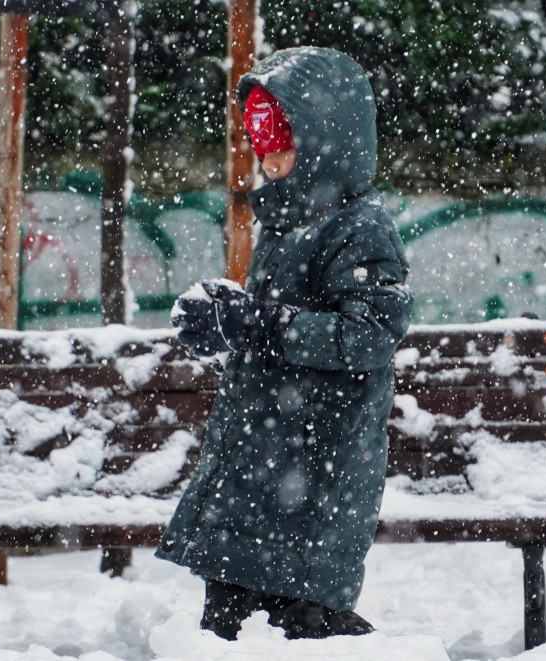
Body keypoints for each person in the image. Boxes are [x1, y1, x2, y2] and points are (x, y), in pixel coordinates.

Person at [155, 47, 413, 641]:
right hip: (262, 454)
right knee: (228, 613)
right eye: (261, 148)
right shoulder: (289, 219)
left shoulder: (359, 228)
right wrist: (228, 329)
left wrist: (263, 326)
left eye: (282, 146)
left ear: (330, 144)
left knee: (300, 618)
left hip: (316, 462)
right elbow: (274, 330)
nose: (268, 162)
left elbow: (369, 335)